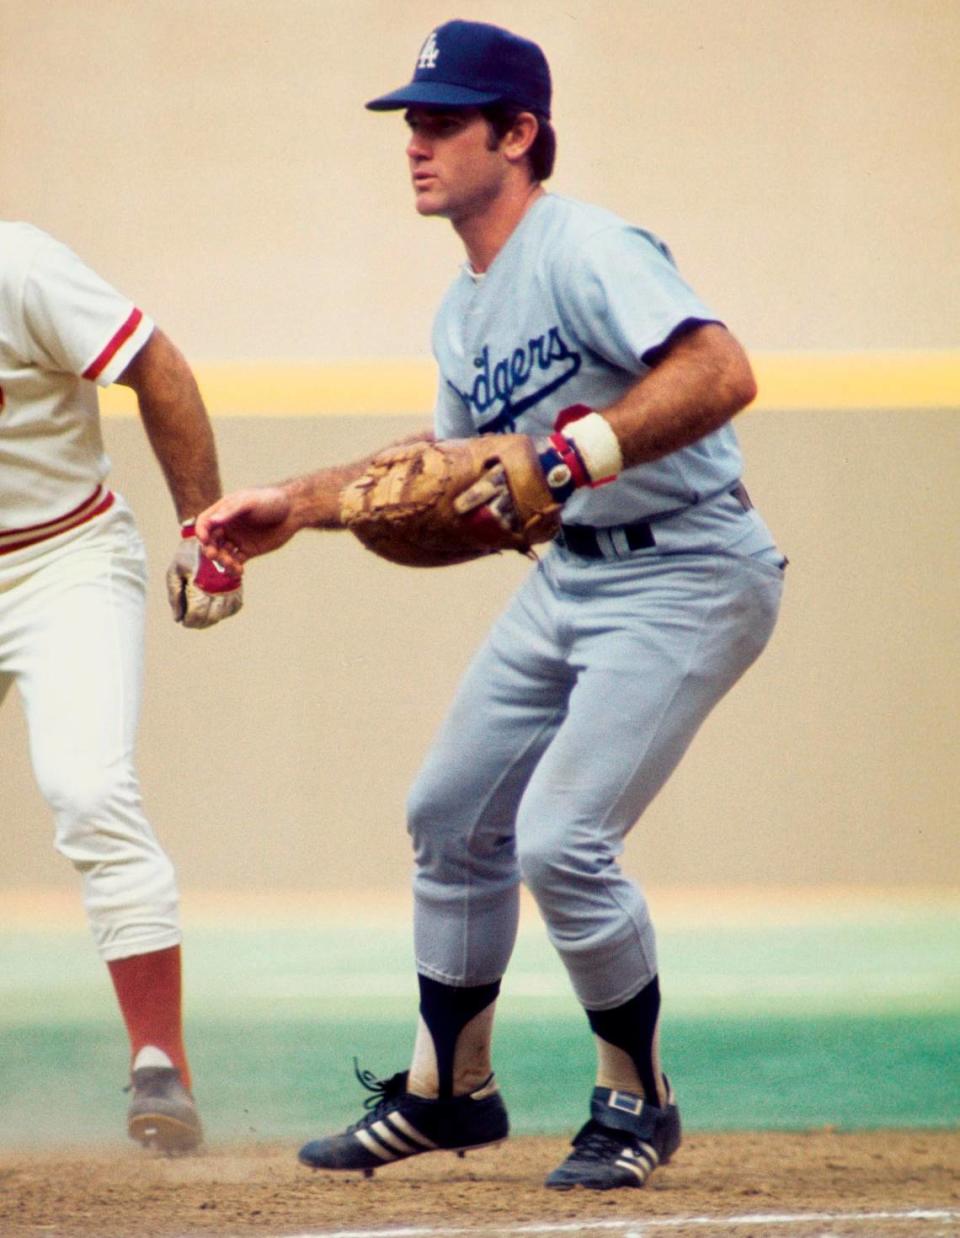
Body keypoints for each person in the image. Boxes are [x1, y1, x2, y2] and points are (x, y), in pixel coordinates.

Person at [196, 19, 786, 1190]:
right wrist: (300, 507)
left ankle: (637, 1099)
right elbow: (458, 468)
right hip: (574, 574)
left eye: (444, 120)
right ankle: (448, 1091)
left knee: (565, 839)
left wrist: (569, 458)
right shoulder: (463, 309)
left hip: (689, 566)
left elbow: (724, 373)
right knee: (450, 813)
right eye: (410, 120)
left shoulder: (587, 248)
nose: (416, 142)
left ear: (517, 134)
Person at [0, 220, 243, 1151]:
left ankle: (160, 1066)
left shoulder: (20, 267)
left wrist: (202, 528)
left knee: (88, 788)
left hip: (61, 558)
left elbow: (157, 364)